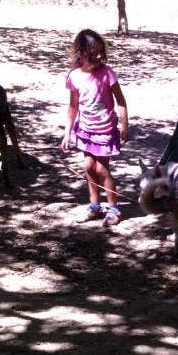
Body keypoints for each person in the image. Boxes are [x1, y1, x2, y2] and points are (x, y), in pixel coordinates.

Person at [60, 28, 130, 226]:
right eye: (94, 52)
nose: (100, 56)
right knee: (88, 167)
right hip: (86, 130)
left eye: (101, 51)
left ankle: (114, 208)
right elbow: (73, 106)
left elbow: (121, 101)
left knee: (101, 168)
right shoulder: (74, 76)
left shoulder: (108, 74)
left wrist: (125, 125)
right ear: (81, 53)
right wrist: (67, 133)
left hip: (105, 131)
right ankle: (94, 206)